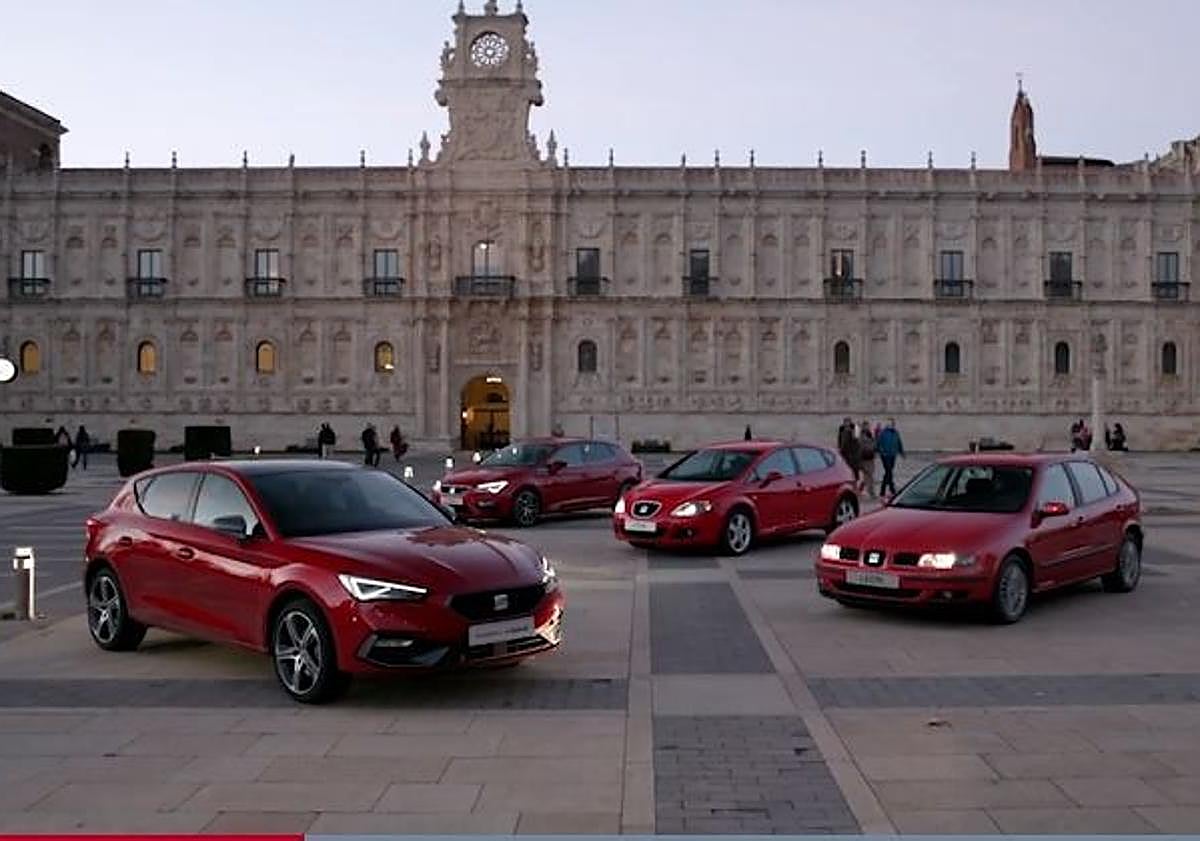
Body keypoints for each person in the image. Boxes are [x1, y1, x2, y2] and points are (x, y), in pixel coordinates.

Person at [876, 417, 905, 498]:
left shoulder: (896, 432)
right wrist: (882, 452)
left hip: (893, 454)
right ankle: (890, 489)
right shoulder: (882, 433)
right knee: (889, 471)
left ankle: (884, 490)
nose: (890, 424)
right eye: (889, 423)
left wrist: (901, 452)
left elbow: (899, 442)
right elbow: (878, 443)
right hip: (885, 455)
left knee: (889, 472)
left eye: (892, 423)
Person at [837, 417, 861, 487]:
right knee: (847, 471)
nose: (846, 424)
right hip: (845, 454)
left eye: (848, 422)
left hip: (853, 455)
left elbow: (856, 440)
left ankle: (855, 486)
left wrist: (856, 429)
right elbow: (840, 442)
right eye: (845, 422)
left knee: (854, 471)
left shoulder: (853, 430)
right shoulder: (842, 431)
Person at [858, 419, 876, 499]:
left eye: (867, 425)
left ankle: (860, 490)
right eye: (865, 425)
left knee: (868, 476)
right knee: (869, 475)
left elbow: (873, 443)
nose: (867, 427)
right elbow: (860, 445)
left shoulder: (870, 434)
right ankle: (871, 492)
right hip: (864, 458)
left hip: (870, 457)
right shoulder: (861, 435)